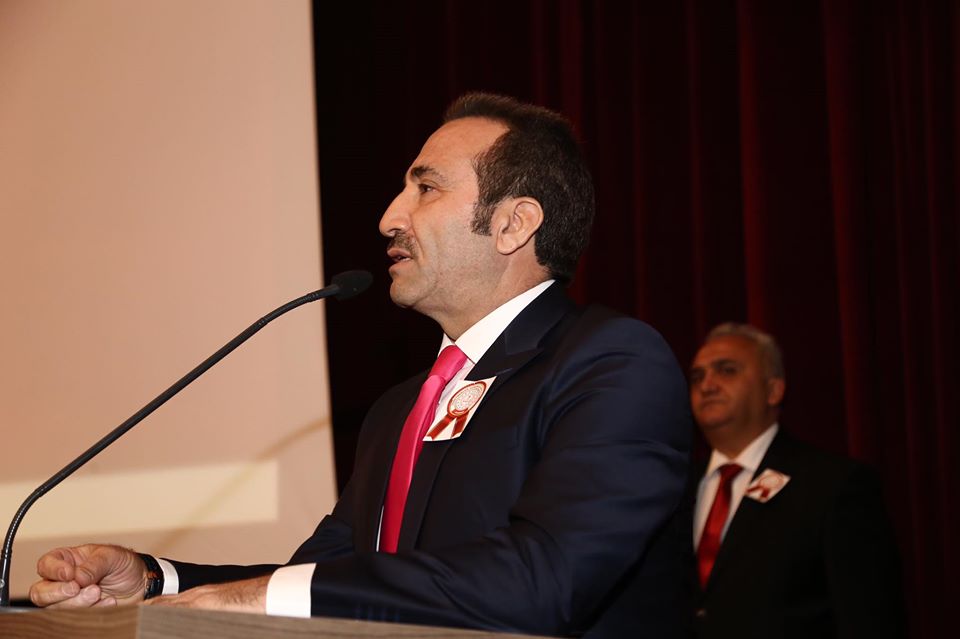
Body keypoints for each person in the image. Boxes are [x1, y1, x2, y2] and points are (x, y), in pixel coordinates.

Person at [28, 93, 692, 637]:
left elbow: (544, 581)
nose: (388, 218)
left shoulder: (611, 363)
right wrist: (156, 581)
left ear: (513, 224)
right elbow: (326, 574)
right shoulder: (398, 408)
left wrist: (256, 598)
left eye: (425, 188)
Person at [688, 323, 905, 638]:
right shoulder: (673, 491)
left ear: (774, 390)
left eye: (727, 370)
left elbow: (868, 618)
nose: (707, 385)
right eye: (697, 376)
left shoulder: (832, 485)